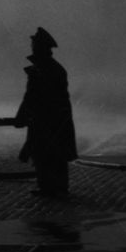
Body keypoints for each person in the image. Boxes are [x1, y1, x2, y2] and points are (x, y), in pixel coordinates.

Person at [13, 27, 77, 197]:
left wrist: (21, 117)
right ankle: (56, 187)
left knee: (44, 152)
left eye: (34, 44)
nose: (31, 46)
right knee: (52, 153)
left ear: (40, 47)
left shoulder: (44, 69)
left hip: (46, 119)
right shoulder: (52, 67)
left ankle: (49, 187)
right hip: (54, 119)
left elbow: (32, 96)